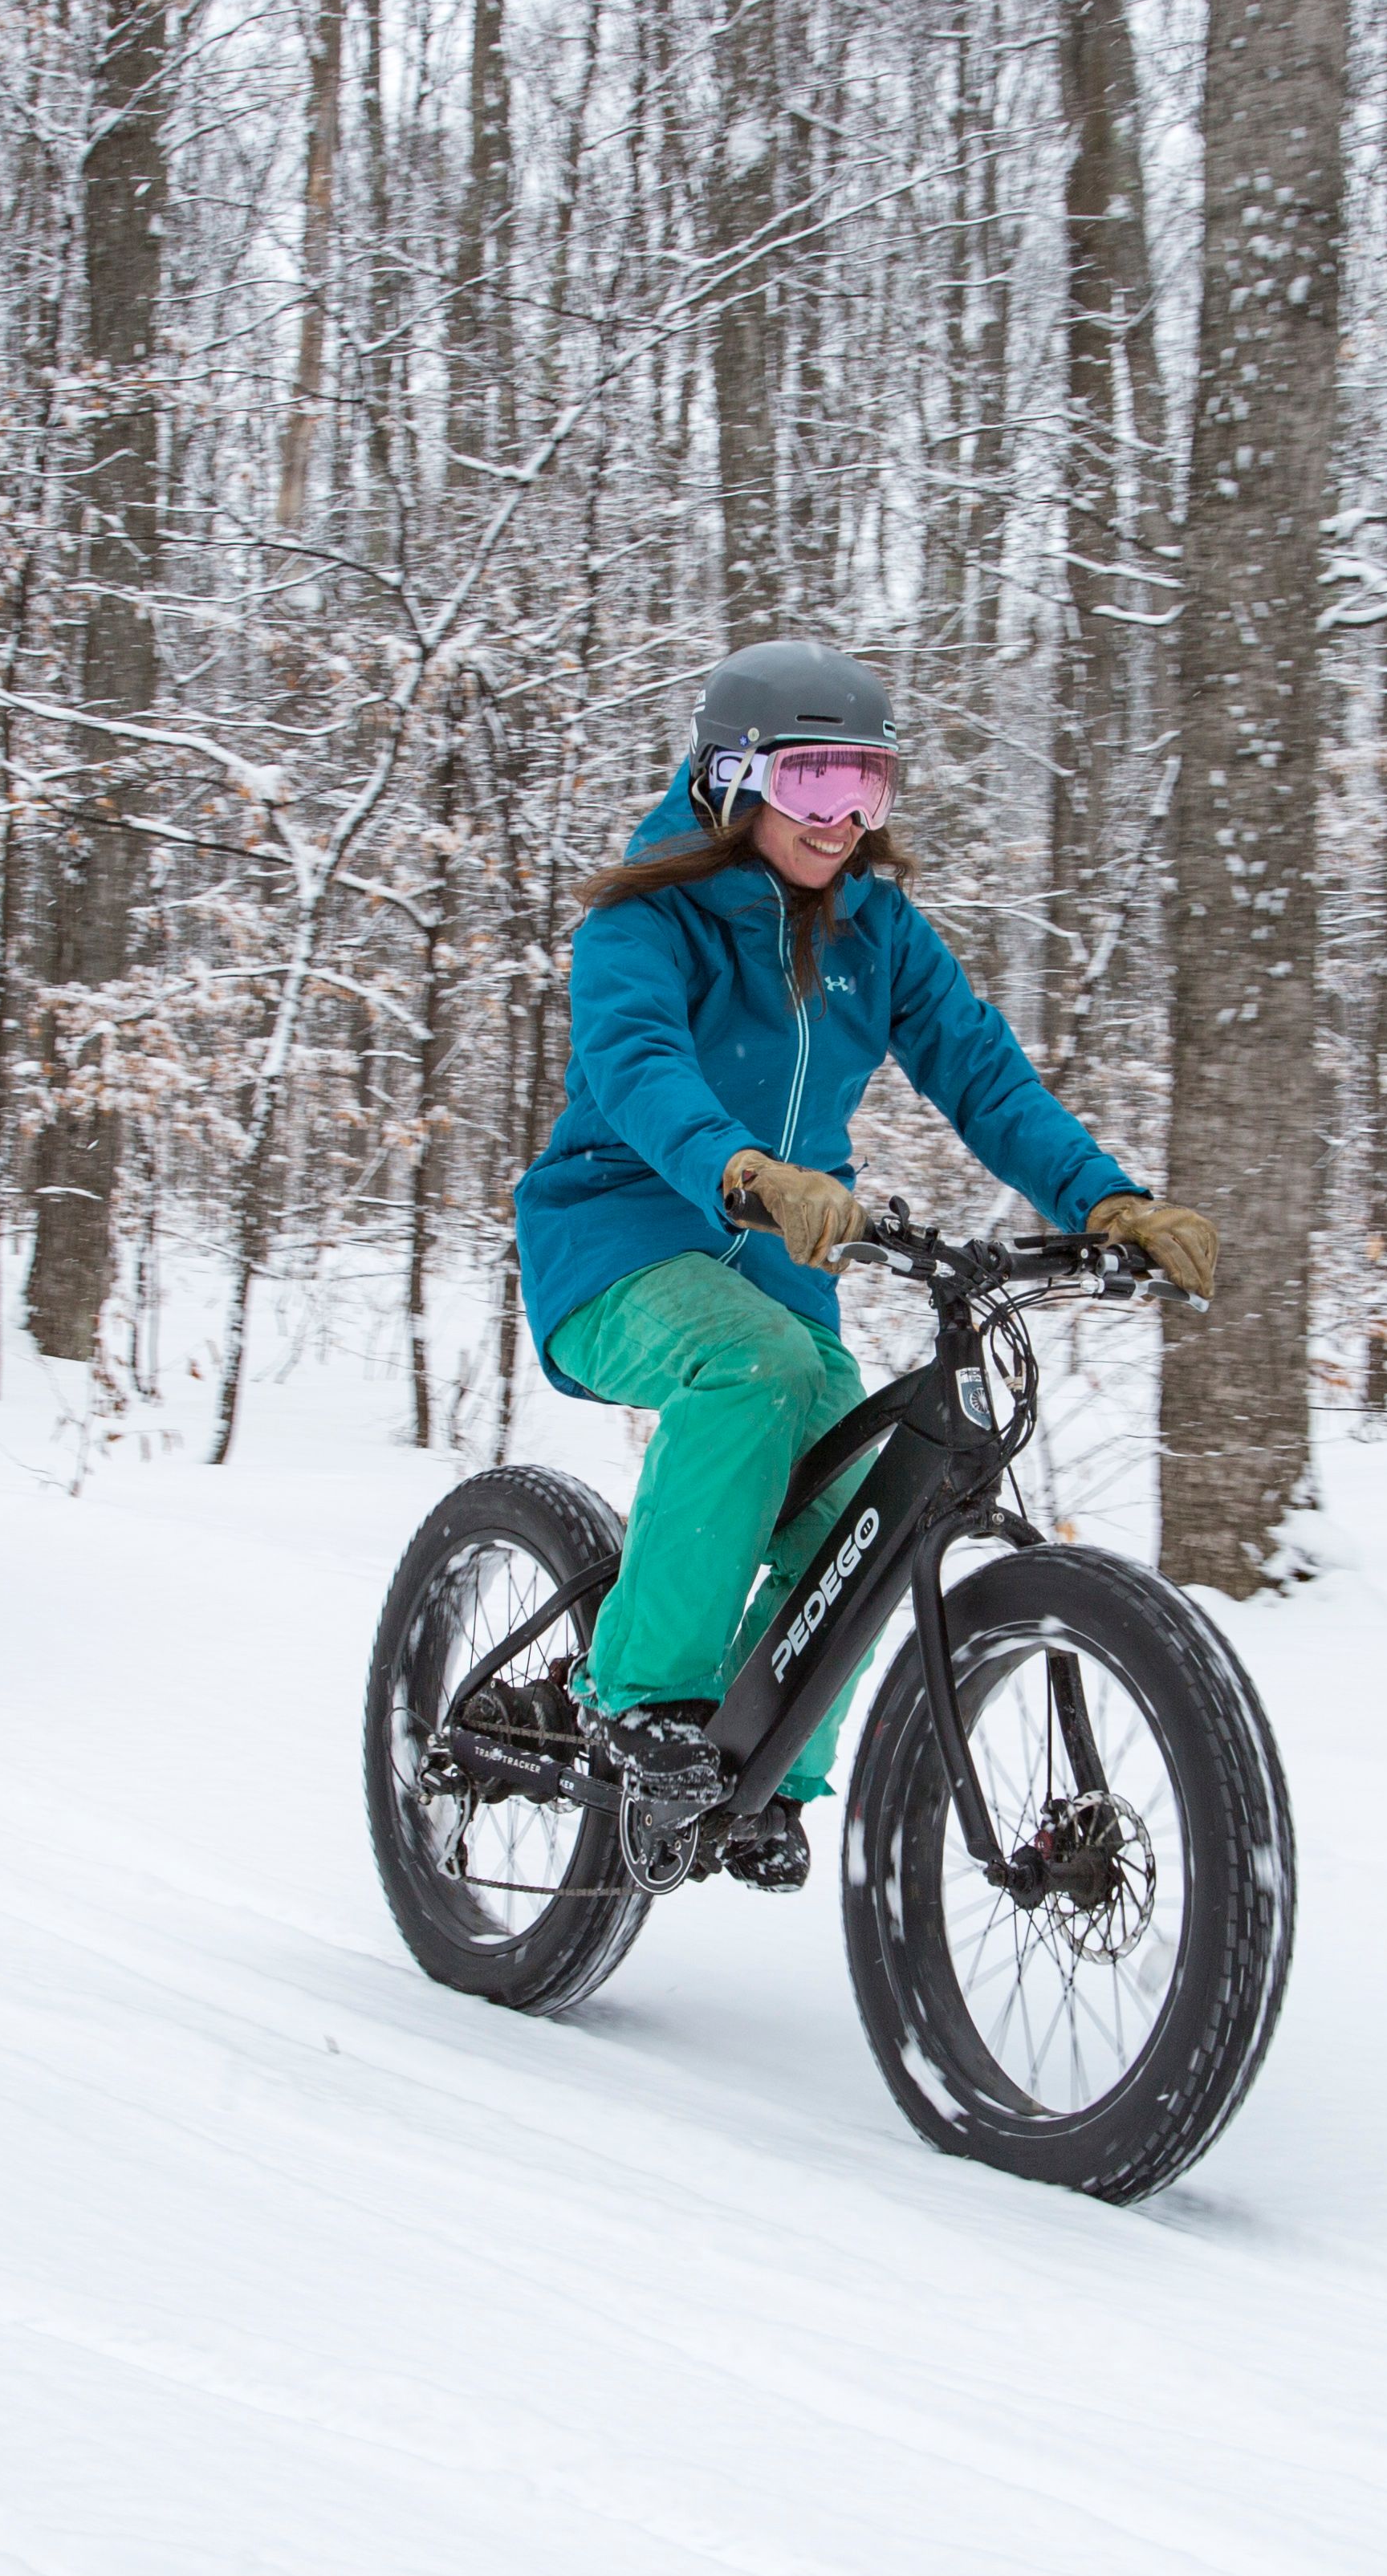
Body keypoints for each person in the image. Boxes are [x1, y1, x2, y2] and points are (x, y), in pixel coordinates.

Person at [512, 641, 1218, 1891]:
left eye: (869, 790)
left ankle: (767, 1765)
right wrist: (738, 1169)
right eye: (813, 786)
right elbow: (639, 1069)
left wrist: (1105, 1197)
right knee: (756, 1371)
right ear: (731, 778)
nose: (842, 823)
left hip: (779, 1268)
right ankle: (647, 1704)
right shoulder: (643, 920)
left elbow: (982, 1074)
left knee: (861, 1493)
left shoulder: (875, 932)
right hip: (617, 1240)